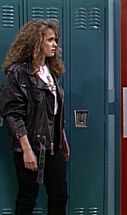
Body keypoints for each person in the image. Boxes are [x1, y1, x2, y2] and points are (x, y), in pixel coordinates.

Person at [0, 19, 70, 215]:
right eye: (50, 40)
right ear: (36, 43)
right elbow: (13, 114)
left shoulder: (51, 71)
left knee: (59, 195)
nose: (55, 44)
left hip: (53, 146)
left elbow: (53, 111)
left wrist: (62, 138)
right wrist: (26, 150)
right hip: (30, 146)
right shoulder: (18, 73)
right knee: (27, 197)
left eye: (55, 40)